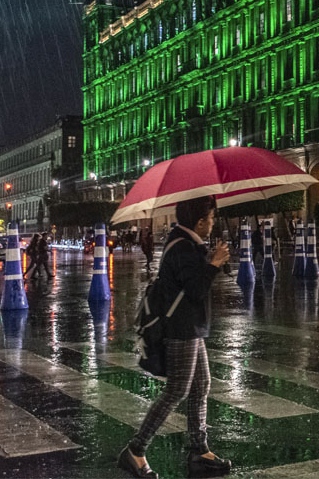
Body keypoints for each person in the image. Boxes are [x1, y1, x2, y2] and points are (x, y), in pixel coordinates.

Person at [120, 196, 231, 479]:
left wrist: (211, 259)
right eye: (211, 218)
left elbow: (193, 282)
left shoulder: (188, 243)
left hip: (190, 326)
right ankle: (135, 449)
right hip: (181, 329)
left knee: (201, 385)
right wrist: (214, 264)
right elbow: (195, 289)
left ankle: (199, 449)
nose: (213, 223)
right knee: (177, 391)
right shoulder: (182, 247)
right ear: (200, 221)